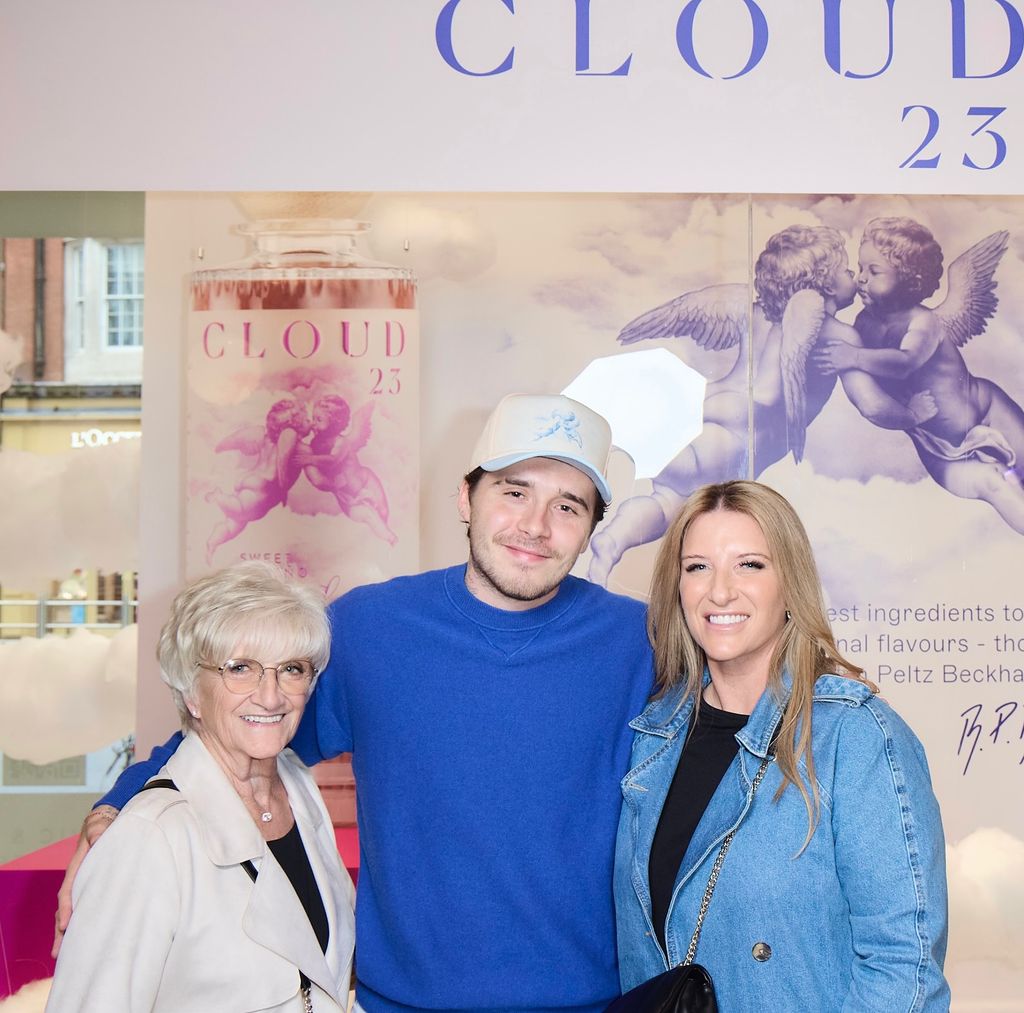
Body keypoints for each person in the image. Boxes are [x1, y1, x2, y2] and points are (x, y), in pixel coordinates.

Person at [55, 393, 656, 1013]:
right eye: (513, 492)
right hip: (399, 1004)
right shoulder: (370, 629)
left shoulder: (642, 643)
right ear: (465, 498)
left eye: (567, 505)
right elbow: (241, 727)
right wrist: (120, 802)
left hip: (592, 1003)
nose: (535, 525)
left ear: (592, 525)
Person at [612, 479, 950, 1010]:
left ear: (789, 583)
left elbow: (904, 969)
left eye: (750, 564)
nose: (720, 591)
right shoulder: (653, 735)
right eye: (698, 566)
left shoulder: (855, 737)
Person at [46, 562, 355, 1012]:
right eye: (240, 668)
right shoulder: (148, 837)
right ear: (191, 691)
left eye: (291, 668)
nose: (271, 696)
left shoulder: (299, 789)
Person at [589, 224, 936, 584]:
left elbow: (688, 308)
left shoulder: (751, 310)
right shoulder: (839, 337)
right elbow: (872, 405)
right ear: (827, 284)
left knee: (667, 498)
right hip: (736, 433)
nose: (855, 277)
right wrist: (913, 415)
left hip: (699, 412)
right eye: (848, 269)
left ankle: (612, 542)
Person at [815, 216, 1024, 533]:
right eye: (860, 269)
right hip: (938, 446)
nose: (861, 279)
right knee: (993, 486)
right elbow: (871, 397)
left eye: (874, 271)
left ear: (908, 280)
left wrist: (854, 357)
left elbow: (905, 361)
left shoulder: (924, 322)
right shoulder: (862, 325)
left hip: (988, 412)